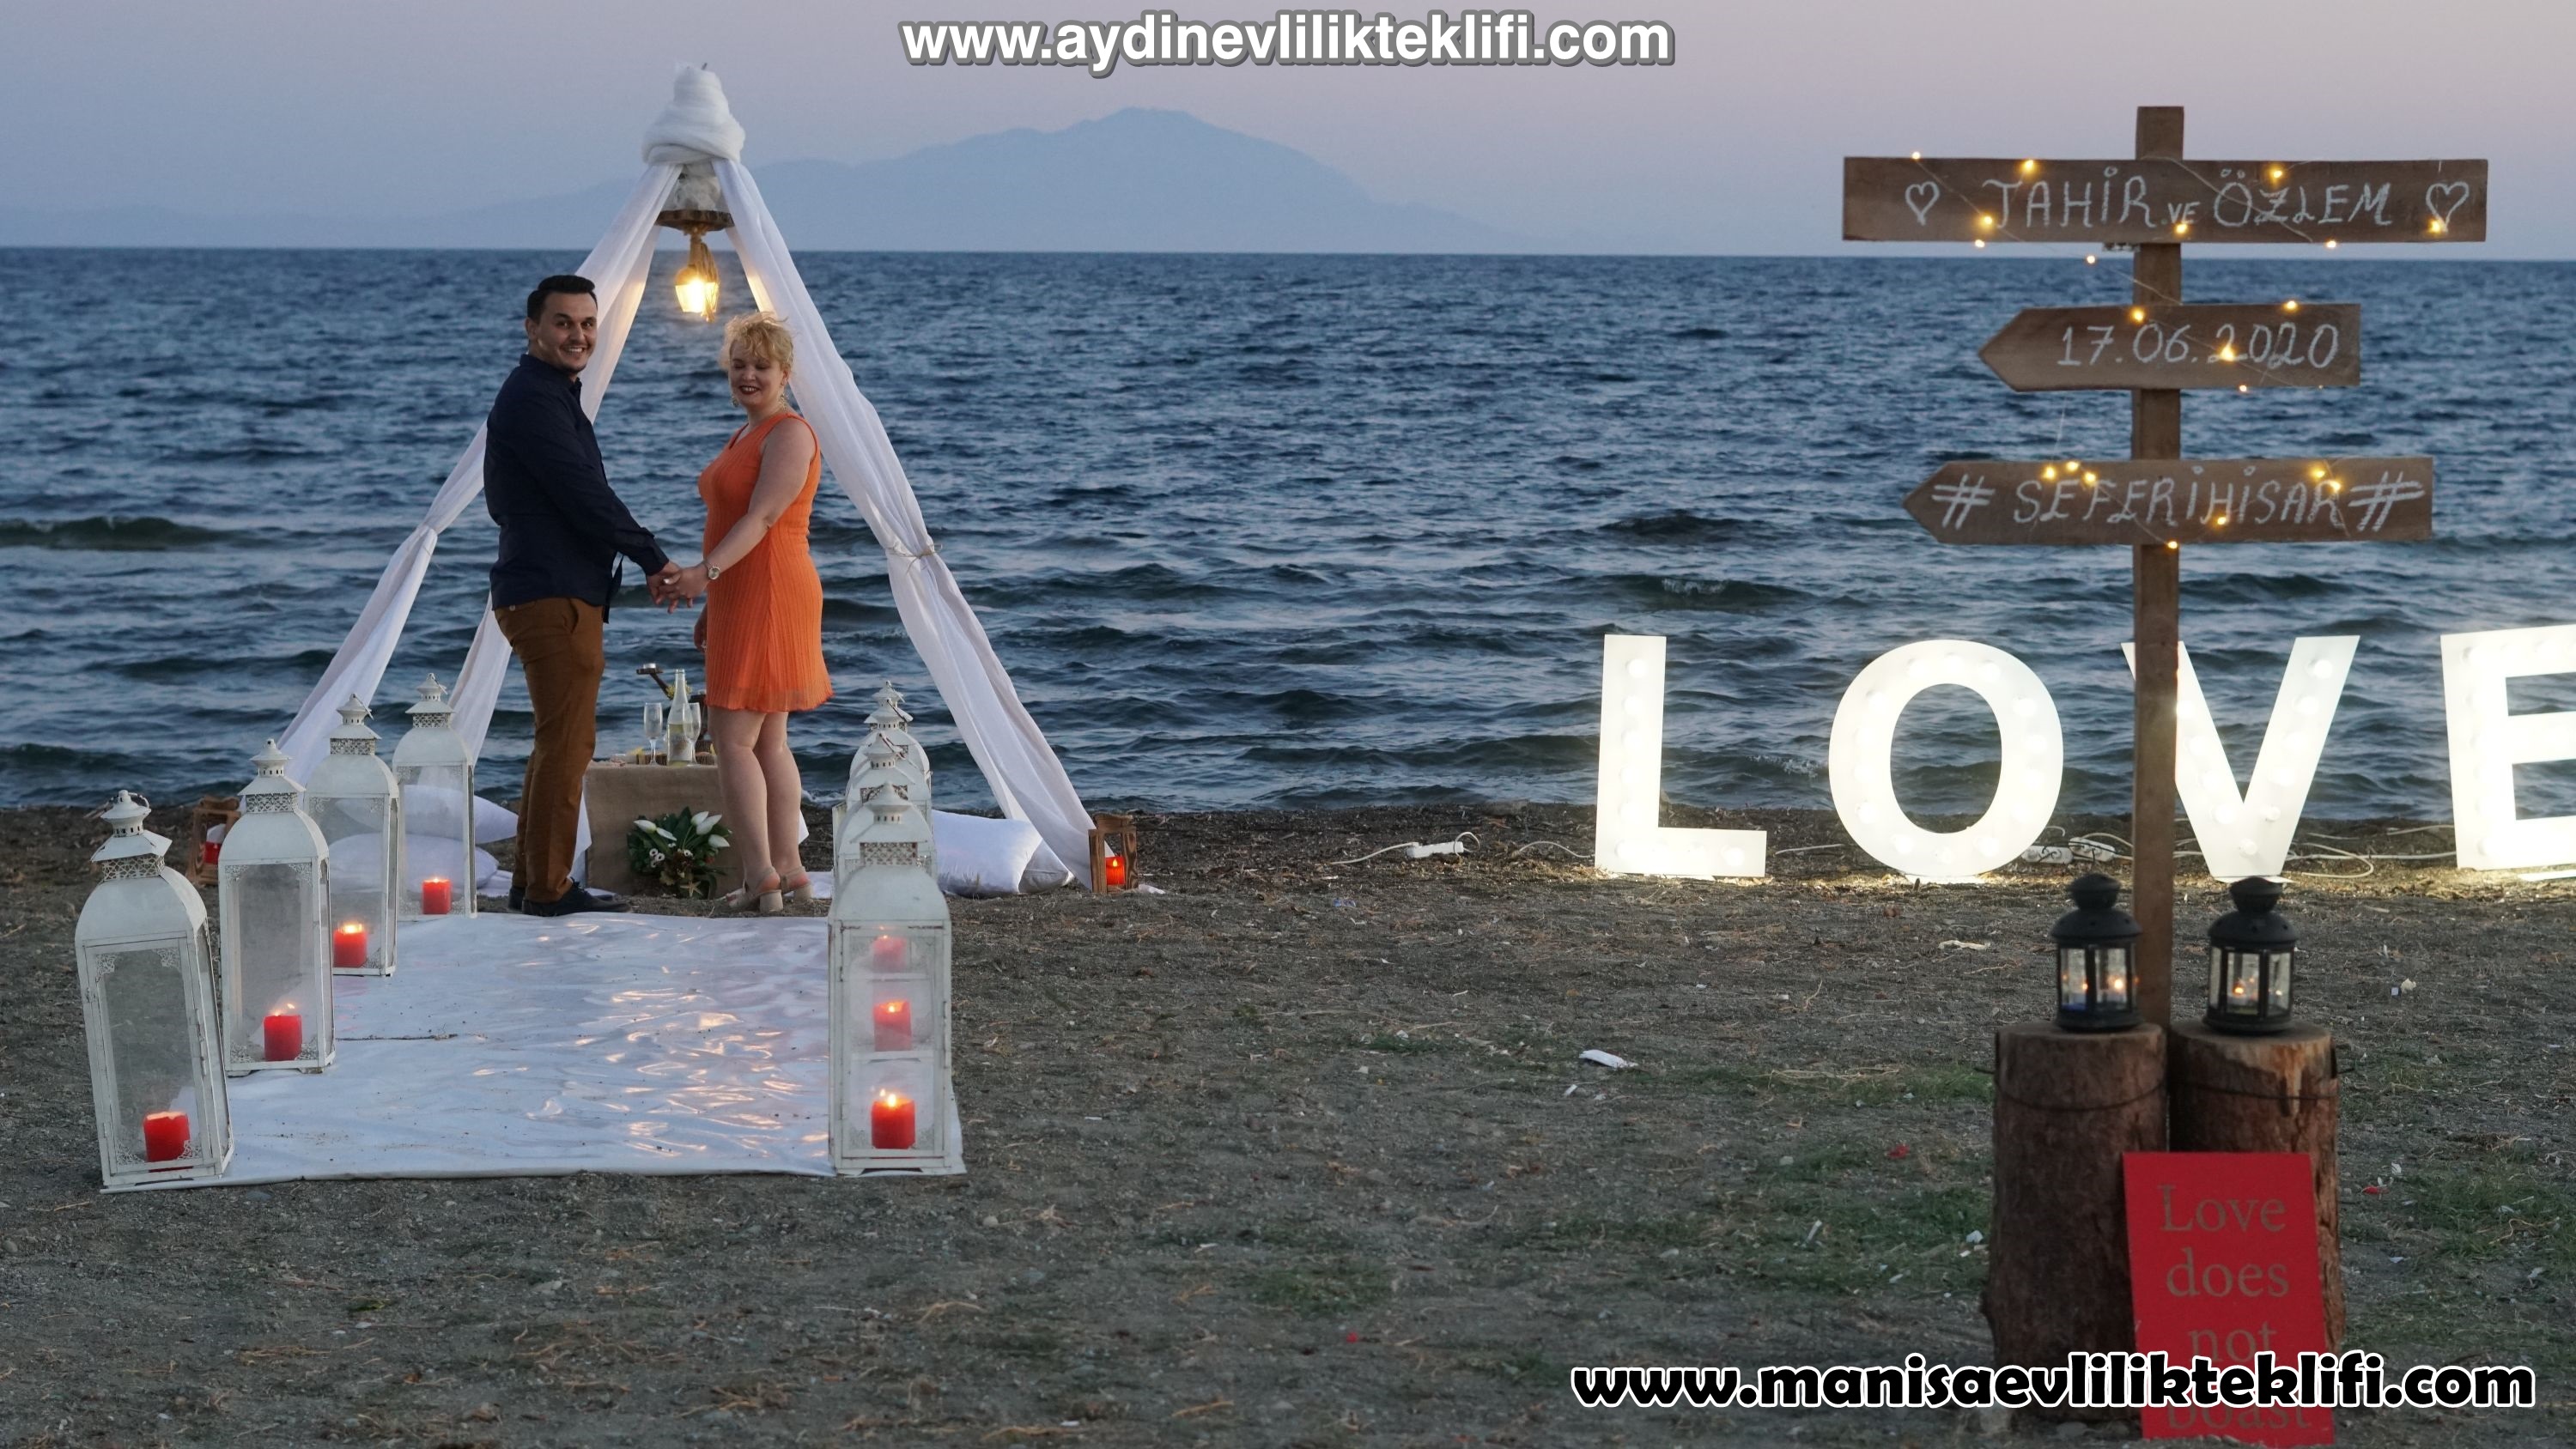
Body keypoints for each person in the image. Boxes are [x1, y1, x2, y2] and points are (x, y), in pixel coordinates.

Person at [485, 274, 683, 917]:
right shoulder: (532, 399)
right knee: (568, 744)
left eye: (588, 323)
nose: (578, 335)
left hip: (552, 588)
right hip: (550, 592)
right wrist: (652, 556)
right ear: (533, 328)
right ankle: (548, 888)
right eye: (563, 322)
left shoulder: (550, 395)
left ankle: (531, 882)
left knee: (557, 742)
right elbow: (582, 493)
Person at [662, 312, 830, 913]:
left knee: (735, 741)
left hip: (772, 589)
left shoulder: (791, 433)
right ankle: (789, 870)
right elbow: (732, 521)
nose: (748, 375)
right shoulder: (746, 434)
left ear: (785, 372)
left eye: (761, 365)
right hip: (741, 591)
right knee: (766, 742)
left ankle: (761, 874)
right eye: (738, 365)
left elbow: (762, 519)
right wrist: (714, 602)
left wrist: (701, 574)